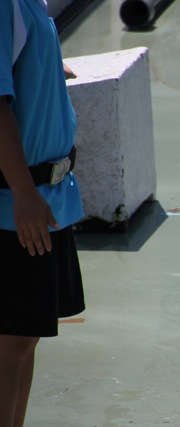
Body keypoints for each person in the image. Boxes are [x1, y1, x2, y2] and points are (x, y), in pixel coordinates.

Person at [0, 0, 85, 425]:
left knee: (24, 337)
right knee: (9, 340)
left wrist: (50, 70)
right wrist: (22, 192)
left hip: (49, 198)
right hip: (17, 206)